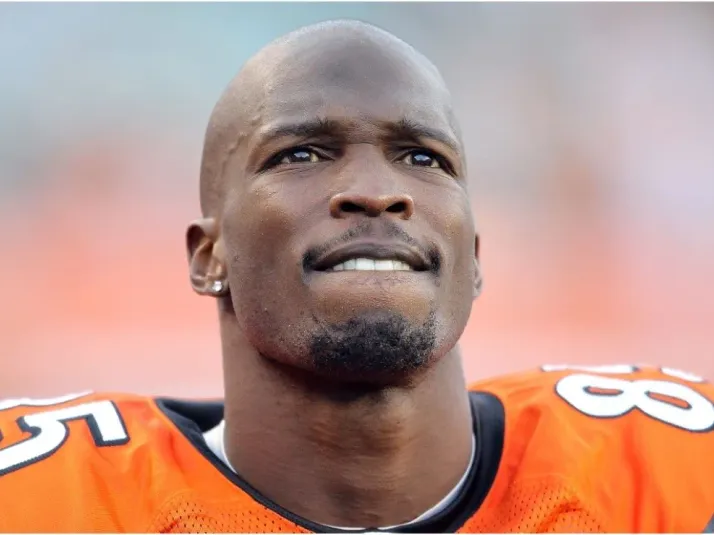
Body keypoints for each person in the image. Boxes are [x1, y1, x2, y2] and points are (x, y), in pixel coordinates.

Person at [1, 20, 713, 533]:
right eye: (302, 154)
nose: (377, 193)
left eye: (424, 158)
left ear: (474, 254)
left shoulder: (669, 477)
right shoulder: (45, 501)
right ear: (207, 255)